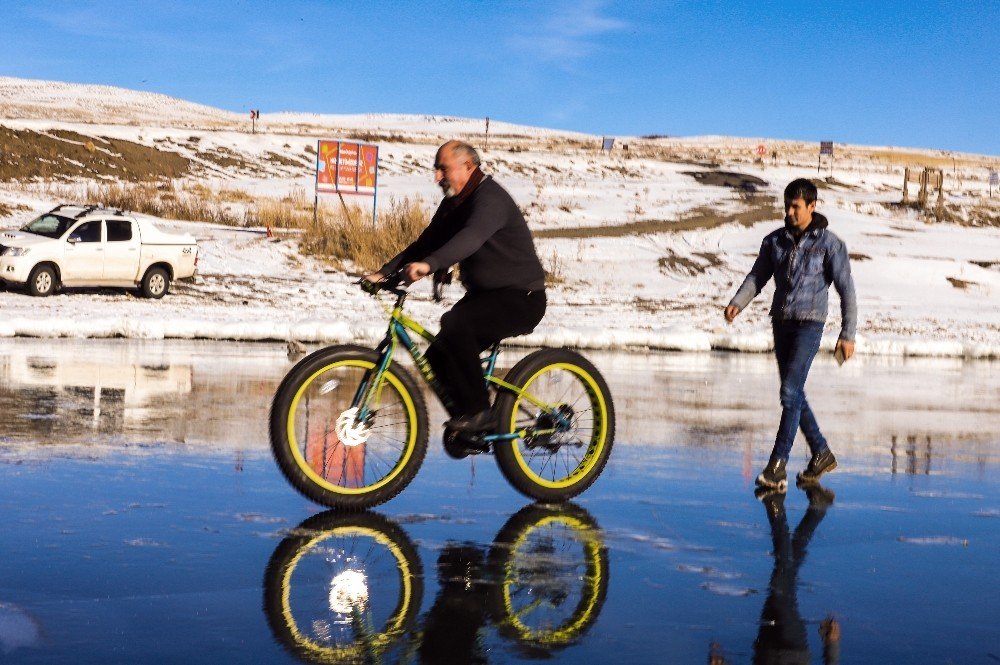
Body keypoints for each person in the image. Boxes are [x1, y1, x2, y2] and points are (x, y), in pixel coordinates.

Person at [366, 140, 546, 438]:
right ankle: (469, 426)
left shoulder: (490, 199)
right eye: (436, 170)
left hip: (521, 297)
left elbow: (470, 239)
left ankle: (480, 414)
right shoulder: (454, 203)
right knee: (438, 355)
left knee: (456, 323)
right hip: (485, 297)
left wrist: (429, 265)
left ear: (468, 166)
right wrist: (384, 273)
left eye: (443, 169)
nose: (437, 177)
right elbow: (426, 242)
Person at [724, 178, 857, 491]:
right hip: (781, 321)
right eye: (787, 205)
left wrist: (847, 333)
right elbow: (758, 276)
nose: (789, 211)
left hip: (810, 324)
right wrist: (737, 303)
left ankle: (777, 465)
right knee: (793, 392)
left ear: (812, 206)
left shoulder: (830, 244)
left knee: (789, 393)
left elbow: (846, 289)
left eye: (796, 206)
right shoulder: (775, 242)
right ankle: (821, 453)